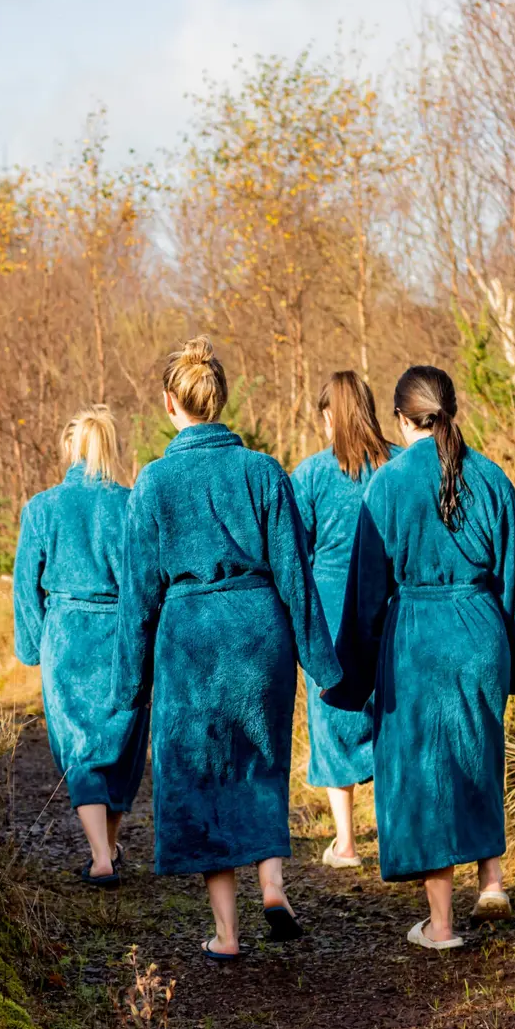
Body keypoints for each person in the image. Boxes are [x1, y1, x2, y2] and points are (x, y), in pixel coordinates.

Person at [114, 337, 341, 960]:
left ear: (170, 403)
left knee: (206, 774)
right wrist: (323, 665)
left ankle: (227, 933)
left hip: (191, 640)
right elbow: (296, 575)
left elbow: (138, 596)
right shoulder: (264, 472)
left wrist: (128, 684)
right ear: (220, 399)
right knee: (260, 760)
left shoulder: (154, 483)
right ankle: (272, 885)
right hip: (260, 632)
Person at [323, 365, 515, 950]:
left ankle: (442, 925)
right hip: (481, 633)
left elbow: (366, 595)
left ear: (402, 420)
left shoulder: (388, 484)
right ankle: (492, 881)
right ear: (449, 411)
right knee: (480, 754)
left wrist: (347, 677)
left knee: (425, 772)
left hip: (418, 639)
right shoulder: (493, 478)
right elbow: (513, 582)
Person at [13, 406, 151, 888]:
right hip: (120, 635)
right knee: (120, 744)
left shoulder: (42, 507)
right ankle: (107, 848)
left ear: (70, 449)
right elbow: (146, 584)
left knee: (80, 748)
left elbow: (25, 587)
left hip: (66, 638)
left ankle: (101, 856)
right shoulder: (131, 505)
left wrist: (34, 645)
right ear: (111, 448)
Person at [289, 370, 398, 869]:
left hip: (330, 610)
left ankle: (347, 843)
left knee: (331, 718)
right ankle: (394, 833)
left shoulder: (311, 474)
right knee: (390, 716)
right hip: (391, 605)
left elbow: (296, 548)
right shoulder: (398, 464)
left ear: (331, 416)